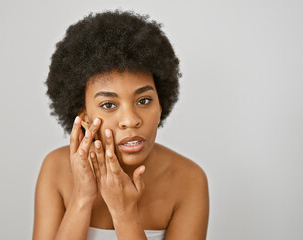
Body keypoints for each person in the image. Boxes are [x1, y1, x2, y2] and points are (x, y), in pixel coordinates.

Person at [33, 10, 209, 240]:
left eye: (144, 100)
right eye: (108, 105)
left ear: (161, 105)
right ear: (83, 115)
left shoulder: (189, 180)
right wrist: (82, 197)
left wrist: (124, 213)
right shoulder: (56, 169)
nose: (131, 120)